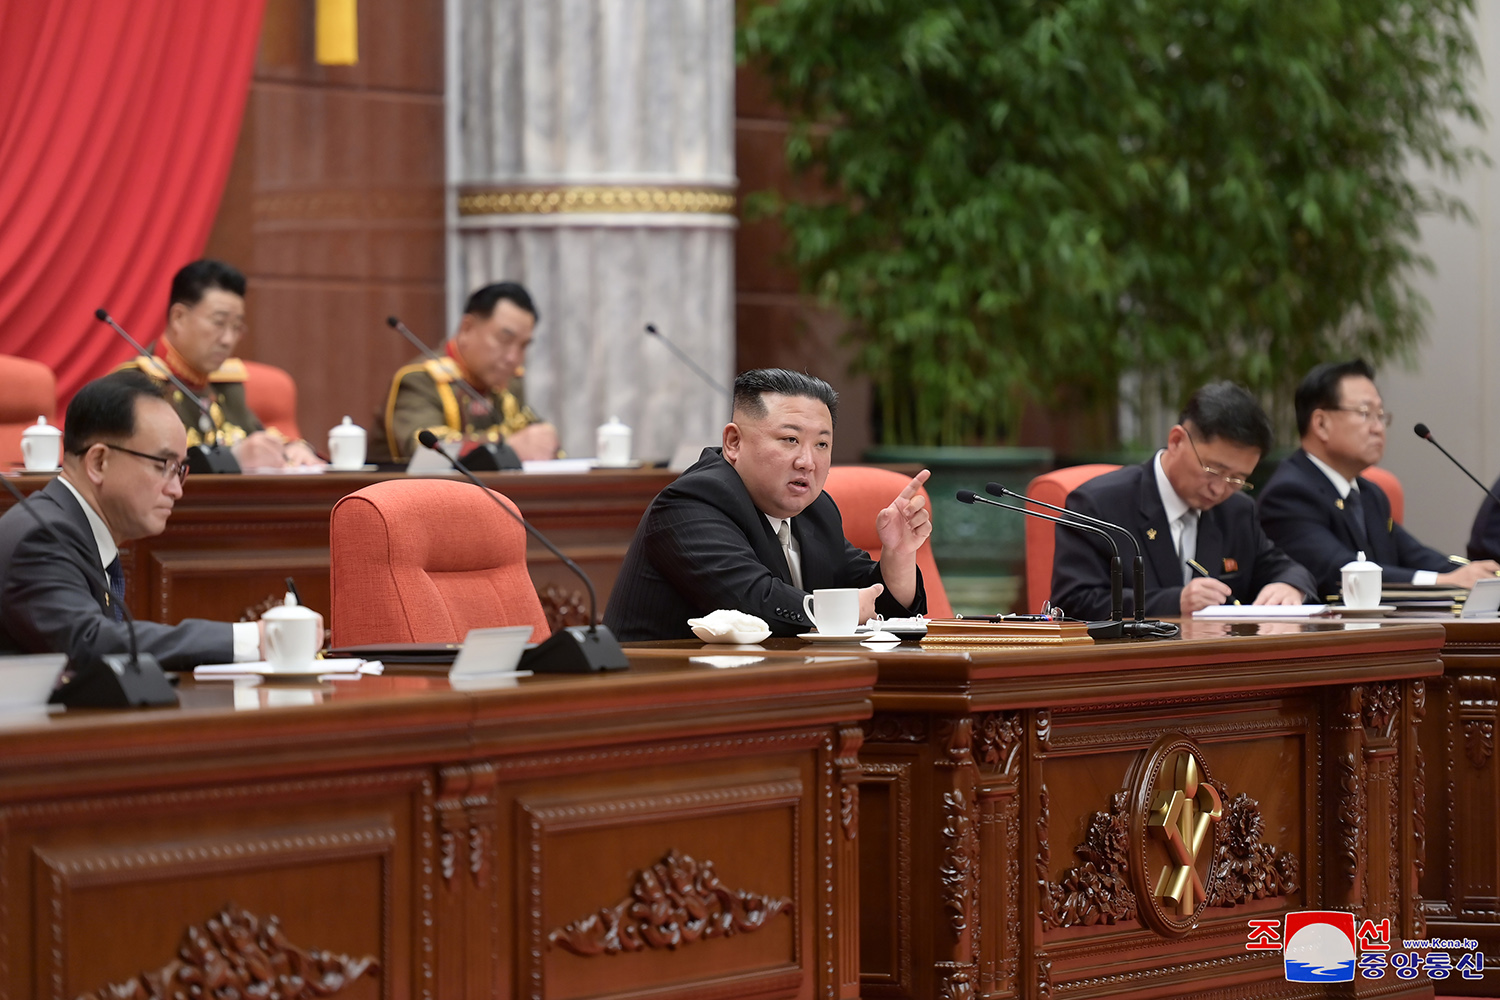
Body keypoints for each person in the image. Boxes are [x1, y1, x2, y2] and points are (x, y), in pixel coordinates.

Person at [604, 368, 931, 641]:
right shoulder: (691, 502)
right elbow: (752, 603)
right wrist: (839, 611)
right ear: (734, 442)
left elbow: (881, 607)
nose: (808, 461)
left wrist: (899, 554)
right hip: (662, 702)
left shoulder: (816, 511)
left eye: (821, 444)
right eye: (790, 439)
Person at [0, 371, 271, 672]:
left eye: (179, 469)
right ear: (99, 462)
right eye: (163, 466)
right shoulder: (40, 537)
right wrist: (251, 639)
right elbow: (89, 643)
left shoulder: (71, 528)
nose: (176, 489)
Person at [1051, 381, 1315, 620]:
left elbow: (1286, 568)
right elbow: (1073, 602)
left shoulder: (1237, 511)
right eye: (1214, 470)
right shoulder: (1099, 504)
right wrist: (1175, 602)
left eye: (1237, 479)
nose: (1219, 489)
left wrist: (1289, 586)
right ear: (1177, 440)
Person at [1257, 359, 1498, 595]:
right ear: (1321, 424)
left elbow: (1415, 555)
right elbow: (1341, 572)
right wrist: (1444, 581)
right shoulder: (1289, 493)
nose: (1378, 427)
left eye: (1381, 415)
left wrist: (1475, 574)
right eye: (1365, 413)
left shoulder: (1370, 494)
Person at [123, 259, 320, 471]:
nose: (228, 340)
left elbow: (259, 439)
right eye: (219, 323)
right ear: (178, 317)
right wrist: (233, 459)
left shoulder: (226, 384)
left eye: (236, 327)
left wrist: (294, 448)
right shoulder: (132, 386)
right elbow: (146, 470)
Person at [382, 281, 560, 462]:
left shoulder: (509, 382)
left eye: (523, 346)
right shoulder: (420, 380)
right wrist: (507, 447)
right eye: (504, 340)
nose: (513, 358)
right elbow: (426, 454)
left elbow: (532, 435)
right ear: (467, 328)